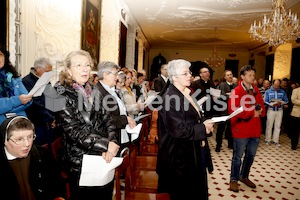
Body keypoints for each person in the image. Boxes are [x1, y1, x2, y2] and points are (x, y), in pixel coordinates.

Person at [55, 50, 120, 200]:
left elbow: (108, 119)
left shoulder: (93, 89)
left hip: (103, 155)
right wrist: (105, 145)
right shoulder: (58, 93)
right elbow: (74, 131)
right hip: (80, 160)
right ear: (68, 71)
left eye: (87, 65)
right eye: (79, 65)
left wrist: (111, 142)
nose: (85, 69)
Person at [156, 59, 214, 200]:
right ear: (174, 77)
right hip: (180, 158)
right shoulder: (171, 97)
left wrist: (204, 120)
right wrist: (203, 128)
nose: (190, 76)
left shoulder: (185, 93)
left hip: (191, 151)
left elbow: (195, 115)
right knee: (185, 194)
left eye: (189, 72)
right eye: (185, 73)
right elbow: (178, 130)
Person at [0, 115, 66, 200]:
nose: (27, 144)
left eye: (30, 137)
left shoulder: (43, 154)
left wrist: (59, 197)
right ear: (5, 140)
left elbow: (58, 185)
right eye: (19, 139)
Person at [228, 65, 265, 193]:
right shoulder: (236, 91)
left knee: (250, 155)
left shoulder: (256, 90)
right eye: (249, 75)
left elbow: (261, 105)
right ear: (242, 77)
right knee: (237, 157)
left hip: (254, 129)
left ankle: (244, 176)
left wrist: (260, 111)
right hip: (241, 129)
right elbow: (234, 110)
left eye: (253, 75)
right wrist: (252, 112)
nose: (252, 77)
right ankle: (233, 179)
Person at [95, 61, 136, 150]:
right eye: (115, 74)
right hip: (106, 140)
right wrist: (125, 119)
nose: (117, 77)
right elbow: (103, 119)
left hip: (115, 135)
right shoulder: (99, 92)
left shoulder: (110, 90)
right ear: (105, 75)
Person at [22, 57, 57, 148]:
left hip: (49, 123)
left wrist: (55, 117)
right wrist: (50, 118)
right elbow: (34, 104)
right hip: (37, 123)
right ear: (38, 69)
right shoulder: (26, 82)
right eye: (48, 71)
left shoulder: (46, 80)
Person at [0, 46, 32, 124]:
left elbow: (28, 100)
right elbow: (21, 100)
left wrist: (5, 108)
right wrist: (18, 100)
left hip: (20, 123)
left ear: (5, 57)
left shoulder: (13, 77)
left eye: (0, 54)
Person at [215, 70, 236, 152]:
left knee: (231, 129)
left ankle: (231, 145)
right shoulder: (221, 85)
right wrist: (230, 95)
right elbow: (222, 97)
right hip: (223, 110)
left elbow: (237, 96)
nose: (230, 76)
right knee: (221, 129)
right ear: (225, 77)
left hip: (233, 110)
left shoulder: (236, 85)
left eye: (231, 74)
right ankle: (218, 145)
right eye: (227, 75)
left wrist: (229, 94)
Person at [264, 79, 288, 147]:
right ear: (272, 84)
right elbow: (265, 101)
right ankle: (268, 140)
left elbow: (286, 100)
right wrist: (271, 104)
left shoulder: (282, 91)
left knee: (278, 126)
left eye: (277, 86)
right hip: (271, 109)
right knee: (269, 125)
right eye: (275, 85)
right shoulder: (268, 91)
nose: (276, 87)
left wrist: (282, 103)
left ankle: (276, 140)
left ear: (279, 85)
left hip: (279, 110)